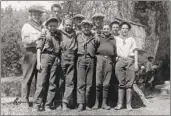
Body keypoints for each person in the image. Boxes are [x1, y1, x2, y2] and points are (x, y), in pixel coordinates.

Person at [33, 17, 62, 111]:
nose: (52, 27)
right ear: (47, 26)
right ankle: (37, 105)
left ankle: (48, 105)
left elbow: (58, 49)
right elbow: (39, 49)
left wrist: (57, 57)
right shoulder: (44, 34)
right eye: (51, 26)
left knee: (52, 82)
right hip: (44, 57)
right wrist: (38, 62)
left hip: (54, 59)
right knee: (41, 82)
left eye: (54, 26)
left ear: (57, 26)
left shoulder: (58, 36)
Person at [20, 5, 44, 107]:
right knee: (27, 77)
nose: (37, 16)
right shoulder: (27, 26)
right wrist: (36, 37)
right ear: (31, 15)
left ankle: (38, 101)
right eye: (35, 14)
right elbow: (25, 41)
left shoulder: (43, 26)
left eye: (39, 14)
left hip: (42, 53)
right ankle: (23, 101)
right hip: (30, 52)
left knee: (40, 78)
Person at [92, 22, 117, 110]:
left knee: (106, 83)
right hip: (99, 59)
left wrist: (112, 60)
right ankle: (96, 103)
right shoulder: (98, 37)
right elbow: (94, 48)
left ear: (110, 30)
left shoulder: (113, 39)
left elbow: (115, 51)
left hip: (109, 60)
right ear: (102, 30)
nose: (106, 30)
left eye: (107, 29)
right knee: (98, 82)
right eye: (104, 29)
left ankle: (104, 103)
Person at [114, 21, 139, 110]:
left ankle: (128, 104)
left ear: (128, 30)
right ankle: (120, 104)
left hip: (130, 60)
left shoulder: (131, 39)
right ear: (120, 29)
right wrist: (116, 57)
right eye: (123, 28)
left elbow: (135, 51)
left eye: (126, 28)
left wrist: (136, 62)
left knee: (129, 84)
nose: (124, 30)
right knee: (121, 83)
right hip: (120, 60)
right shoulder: (116, 38)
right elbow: (113, 49)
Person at [76, 20, 100, 111]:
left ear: (91, 27)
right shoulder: (78, 35)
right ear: (82, 28)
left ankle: (87, 103)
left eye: (88, 26)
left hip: (91, 59)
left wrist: (96, 34)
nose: (86, 28)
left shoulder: (95, 37)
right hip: (81, 59)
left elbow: (98, 47)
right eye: (84, 27)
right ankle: (81, 104)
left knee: (89, 83)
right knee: (81, 83)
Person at [60, 18, 77, 110]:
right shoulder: (60, 33)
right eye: (66, 25)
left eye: (70, 25)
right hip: (63, 56)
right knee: (61, 80)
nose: (68, 27)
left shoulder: (75, 33)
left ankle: (65, 102)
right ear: (63, 25)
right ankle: (59, 101)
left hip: (72, 57)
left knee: (70, 81)